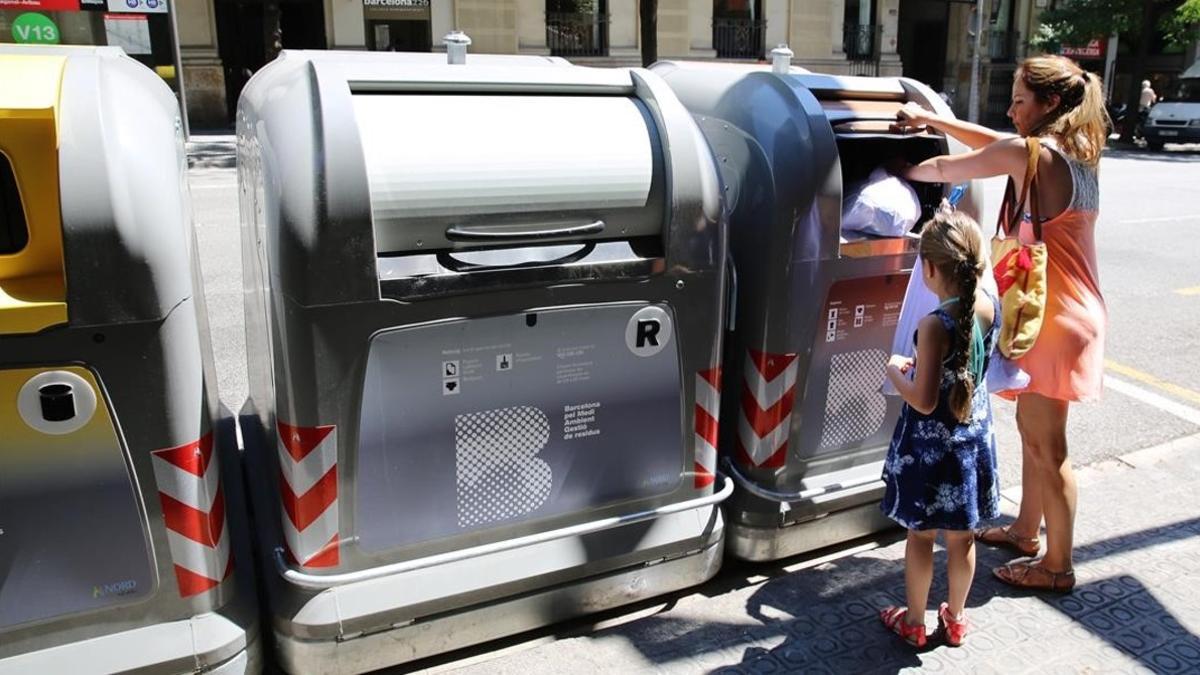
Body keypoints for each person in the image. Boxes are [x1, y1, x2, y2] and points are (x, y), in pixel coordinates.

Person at [893, 55, 1109, 594]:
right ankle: (1024, 531)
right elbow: (992, 137)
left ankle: (1058, 566)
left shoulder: (1029, 153)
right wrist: (935, 121)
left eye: (1019, 99)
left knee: (1048, 447)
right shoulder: (1076, 153)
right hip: (1067, 310)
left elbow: (951, 169)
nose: (1010, 109)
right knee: (1032, 435)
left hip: (1049, 319)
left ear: (1050, 104)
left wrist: (892, 175)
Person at [878, 210, 1000, 649]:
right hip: (971, 444)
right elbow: (960, 370)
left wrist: (896, 372)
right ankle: (957, 618)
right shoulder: (987, 306)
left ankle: (913, 621)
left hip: (932, 451)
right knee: (963, 537)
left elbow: (925, 400)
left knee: (921, 536)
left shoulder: (932, 325)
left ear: (929, 269)